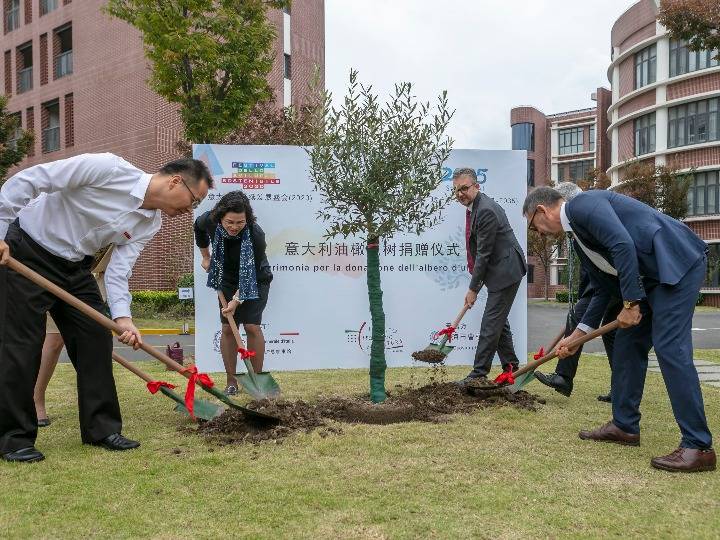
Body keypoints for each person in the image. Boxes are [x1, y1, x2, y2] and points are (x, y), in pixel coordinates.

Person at [0, 153, 213, 463]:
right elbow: (30, 181)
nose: (188, 211)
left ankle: (101, 429)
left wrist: (124, 318)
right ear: (175, 181)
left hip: (75, 268)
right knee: (22, 345)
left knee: (96, 337)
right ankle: (14, 439)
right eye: (193, 201)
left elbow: (118, 271)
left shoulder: (149, 222)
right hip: (28, 250)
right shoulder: (107, 168)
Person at [523, 186, 716, 473]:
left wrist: (631, 302)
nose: (538, 233)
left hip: (676, 265)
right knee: (626, 344)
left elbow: (622, 245)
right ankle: (625, 426)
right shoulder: (578, 240)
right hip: (651, 279)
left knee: (669, 347)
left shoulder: (582, 206)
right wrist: (576, 336)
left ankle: (698, 446)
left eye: (533, 226)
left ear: (542, 210)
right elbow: (602, 290)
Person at [532, 182, 620, 401]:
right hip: (604, 286)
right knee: (612, 335)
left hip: (610, 285)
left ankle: (563, 376)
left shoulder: (586, 217)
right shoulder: (574, 229)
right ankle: (621, 388)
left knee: (577, 317)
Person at [452, 168, 527, 385]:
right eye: (456, 190)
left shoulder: (485, 210)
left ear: (477, 186)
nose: (460, 193)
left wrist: (473, 289)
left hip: (506, 271)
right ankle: (512, 370)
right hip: (500, 270)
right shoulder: (476, 207)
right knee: (499, 323)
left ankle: (478, 374)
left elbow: (484, 254)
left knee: (490, 324)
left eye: (464, 188)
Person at [194, 191, 272, 395]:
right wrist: (205, 256)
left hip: (256, 278)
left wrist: (236, 300)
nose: (235, 227)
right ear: (220, 216)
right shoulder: (209, 220)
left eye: (240, 222)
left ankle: (256, 380)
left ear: (247, 218)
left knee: (251, 326)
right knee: (228, 328)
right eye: (230, 222)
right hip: (226, 278)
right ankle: (231, 382)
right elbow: (198, 228)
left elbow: (250, 275)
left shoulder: (256, 235)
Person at [34, 246, 114, 427]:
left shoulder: (140, 226)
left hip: (92, 281)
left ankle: (97, 406)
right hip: (55, 269)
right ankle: (36, 400)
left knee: (96, 340)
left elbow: (118, 266)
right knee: (54, 340)